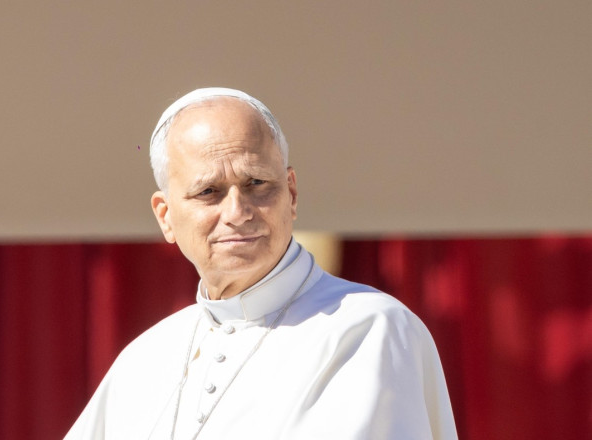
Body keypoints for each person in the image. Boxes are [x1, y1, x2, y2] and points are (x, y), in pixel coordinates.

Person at [64, 88, 457, 439]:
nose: (237, 211)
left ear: (291, 193)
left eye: (256, 184)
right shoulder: (144, 358)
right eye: (208, 192)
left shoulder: (367, 328)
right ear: (165, 216)